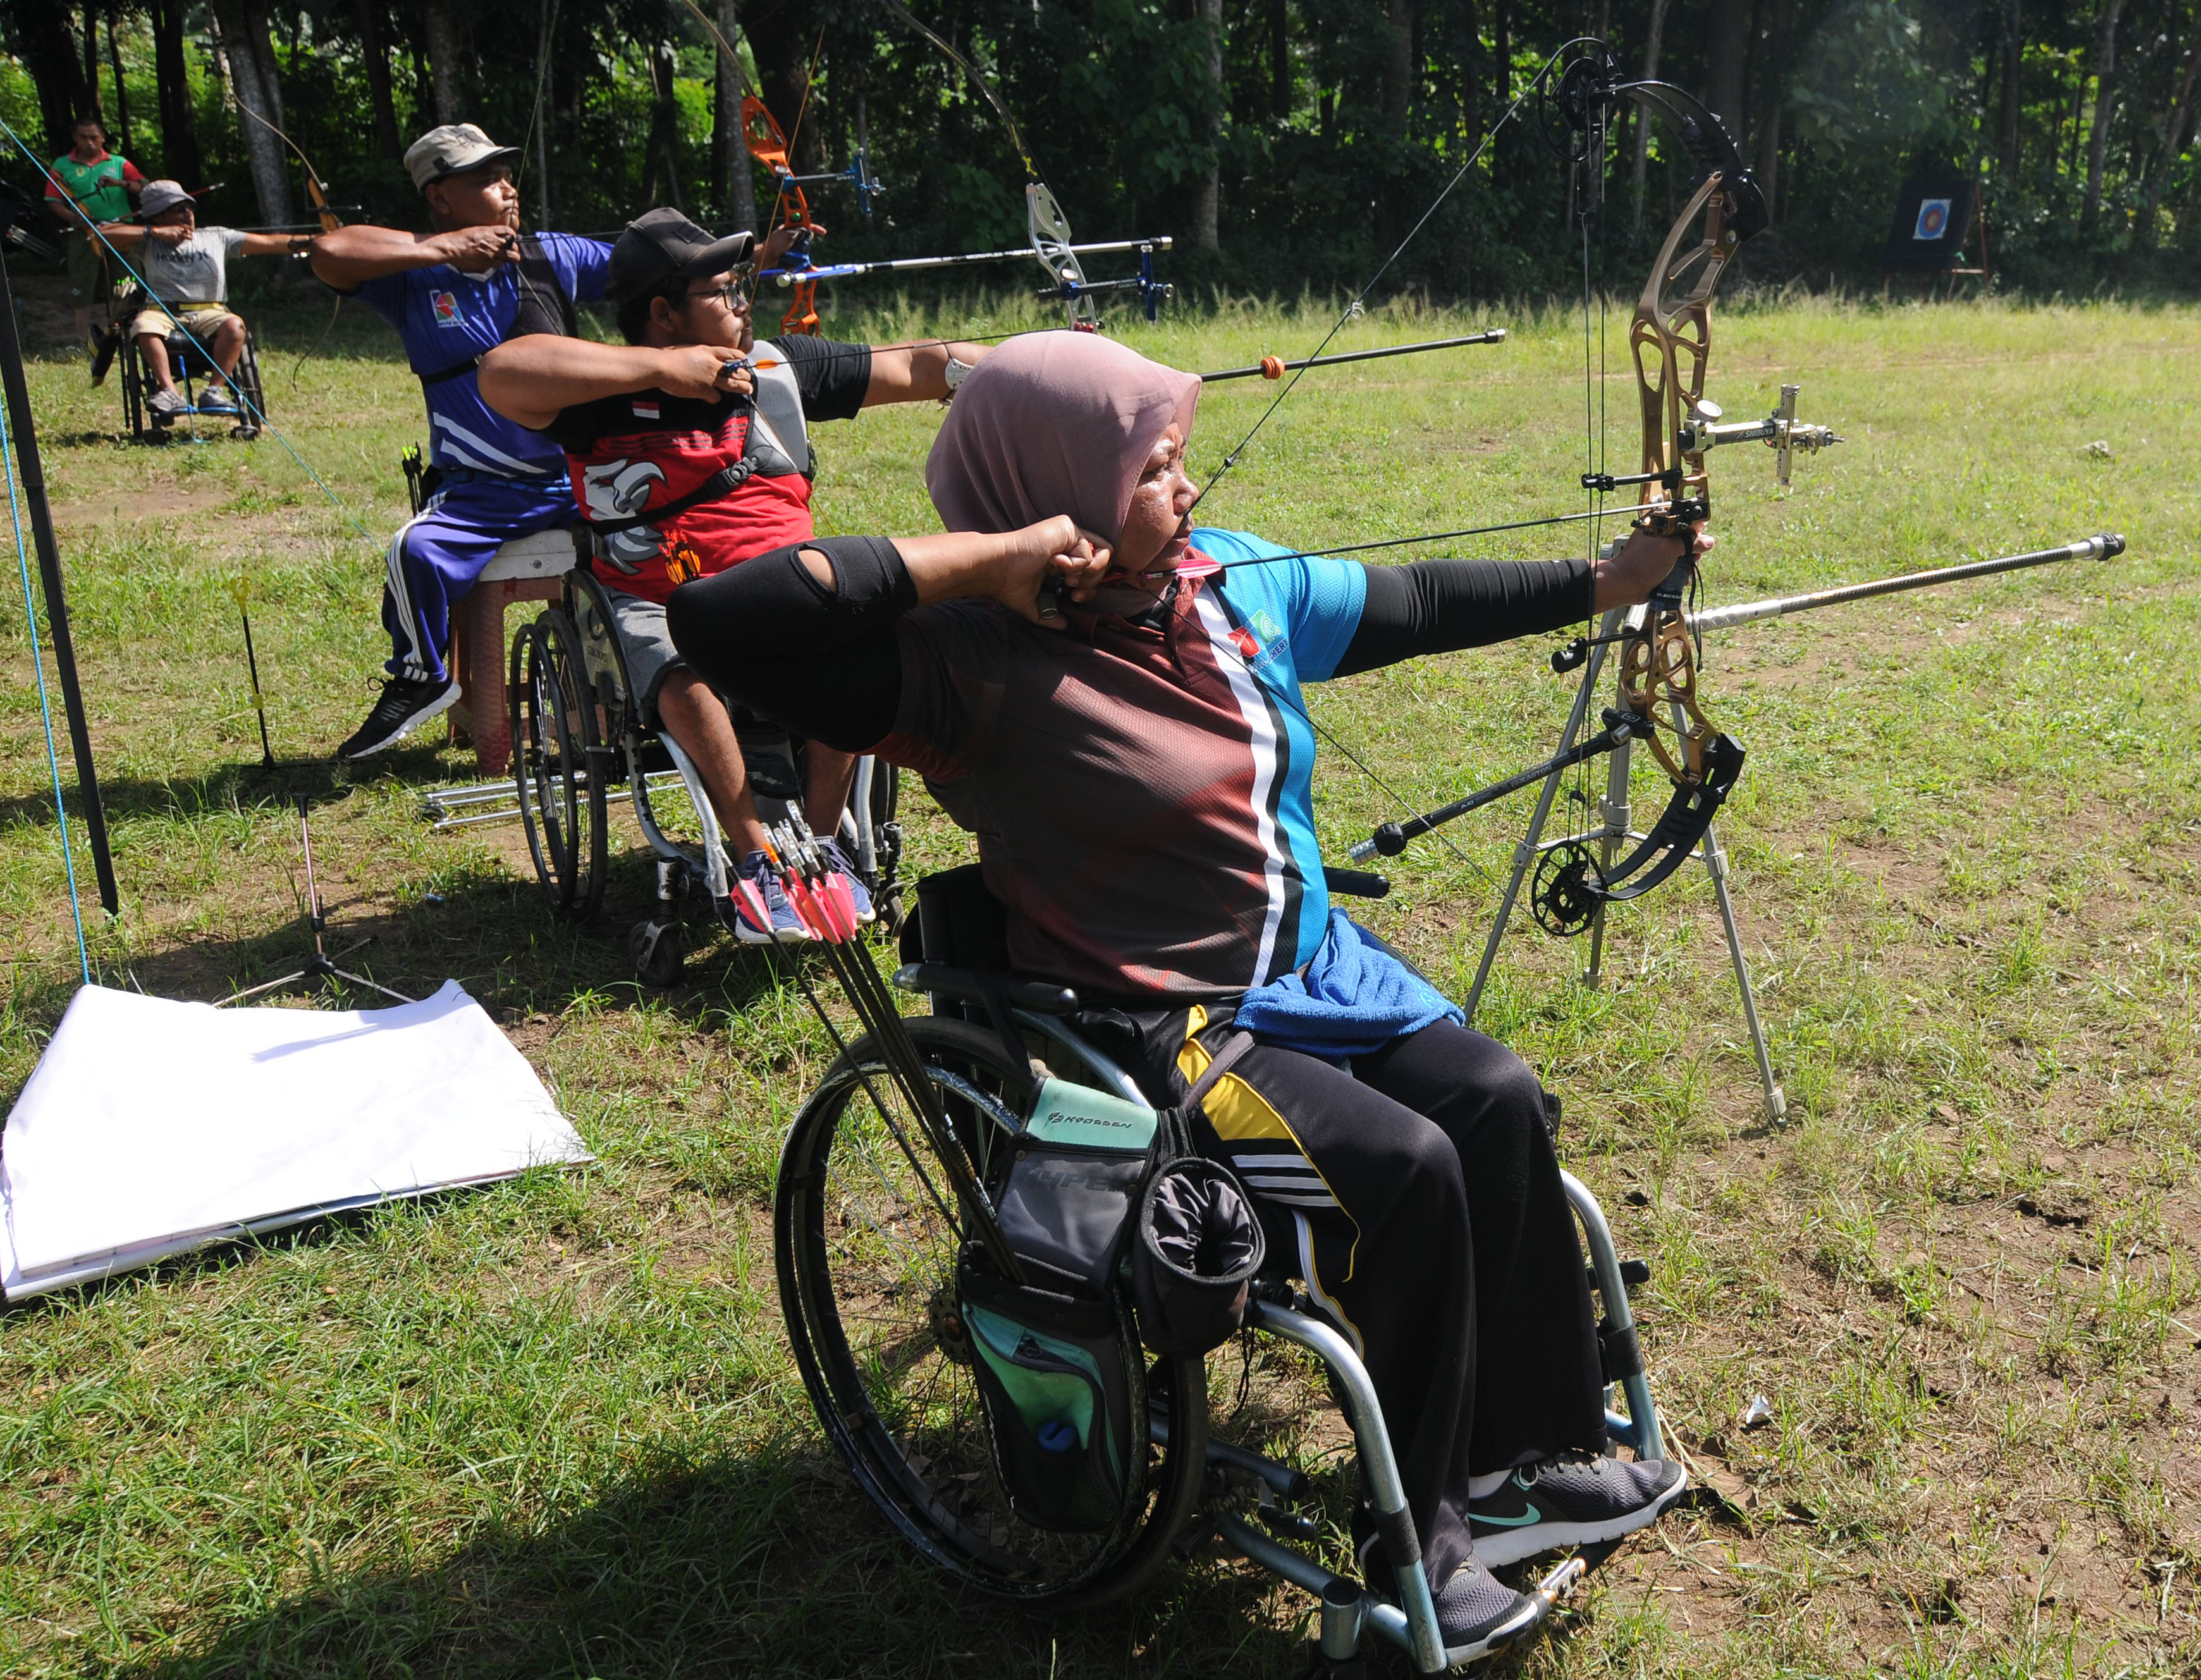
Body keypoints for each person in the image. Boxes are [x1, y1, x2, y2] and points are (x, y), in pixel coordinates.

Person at [667, 331, 1701, 1662]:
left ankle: (1525, 1463)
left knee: (1492, 1098)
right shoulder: (961, 663)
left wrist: (1604, 581)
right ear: (1058, 493)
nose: (1189, 487)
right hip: (1149, 1024)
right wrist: (993, 556)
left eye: (1179, 458)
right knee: (1405, 1166)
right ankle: (1423, 1543)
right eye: (1153, 466)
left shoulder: (1232, 585)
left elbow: (1419, 598)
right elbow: (722, 620)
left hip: (1316, 977)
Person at [477, 207, 991, 942]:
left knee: (858, 633)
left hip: (783, 591)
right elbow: (502, 372)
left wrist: (1028, 369)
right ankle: (754, 860)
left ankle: (819, 848)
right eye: (723, 291)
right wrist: (663, 370)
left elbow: (920, 364)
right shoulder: (594, 396)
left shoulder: (775, 370)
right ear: (662, 312)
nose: (744, 304)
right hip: (663, 601)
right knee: (682, 673)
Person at [307, 124, 612, 761]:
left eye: (507, 175)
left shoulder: (552, 253)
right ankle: (422, 678)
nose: (507, 189)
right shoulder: (413, 280)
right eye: (485, 180)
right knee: (414, 550)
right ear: (441, 199)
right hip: (483, 493)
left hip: (584, 474)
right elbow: (329, 250)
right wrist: (439, 249)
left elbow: (650, 267)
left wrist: (759, 255)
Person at [96, 181, 297, 422]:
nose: (188, 214)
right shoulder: (147, 241)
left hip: (210, 311)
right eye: (178, 209)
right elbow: (99, 236)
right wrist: (155, 233)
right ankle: (169, 392)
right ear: (158, 217)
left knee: (235, 326)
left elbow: (270, 243)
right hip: (161, 311)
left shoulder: (217, 236)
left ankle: (214, 392)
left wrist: (315, 240)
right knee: (144, 326)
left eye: (188, 208)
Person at [44, 117, 146, 375]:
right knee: (83, 284)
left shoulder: (119, 163)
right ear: (75, 138)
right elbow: (53, 200)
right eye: (83, 137)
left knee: (126, 283)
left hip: (120, 231)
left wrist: (120, 183)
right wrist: (73, 218)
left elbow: (145, 188)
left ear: (102, 138)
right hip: (84, 233)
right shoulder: (61, 165)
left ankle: (127, 336)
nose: (89, 142)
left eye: (94, 137)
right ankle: (80, 341)